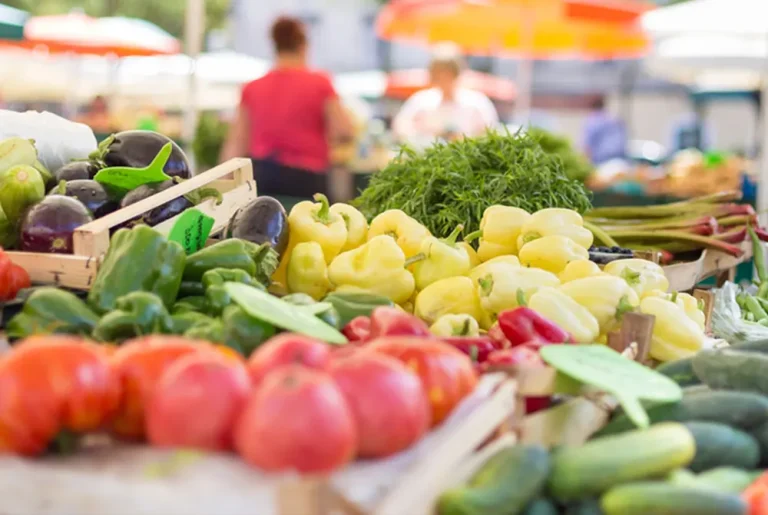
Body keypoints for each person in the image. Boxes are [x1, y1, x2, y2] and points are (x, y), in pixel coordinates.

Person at [220, 16, 354, 198]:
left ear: (275, 46)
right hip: (307, 178)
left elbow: (236, 142)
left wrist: (224, 186)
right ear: (303, 46)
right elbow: (344, 130)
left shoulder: (253, 87)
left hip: (263, 176)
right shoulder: (320, 83)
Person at [392, 43, 499, 148]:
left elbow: (489, 133)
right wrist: (426, 135)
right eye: (438, 74)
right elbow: (401, 128)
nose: (443, 79)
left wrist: (464, 139)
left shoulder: (477, 103)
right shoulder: (420, 101)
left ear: (456, 73)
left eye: (447, 74)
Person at [582, 96, 627, 166]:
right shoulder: (615, 119)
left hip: (601, 162)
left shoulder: (592, 121)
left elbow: (587, 145)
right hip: (620, 160)